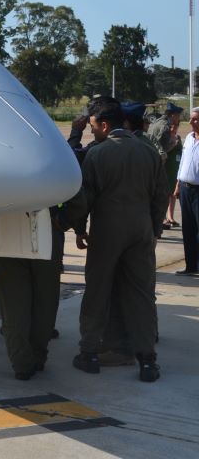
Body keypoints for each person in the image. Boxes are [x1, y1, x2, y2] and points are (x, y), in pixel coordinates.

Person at [67, 100, 164, 382]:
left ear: (105, 125)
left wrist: (78, 228)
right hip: (142, 229)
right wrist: (154, 231)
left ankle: (89, 353)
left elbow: (84, 198)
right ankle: (147, 360)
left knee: (98, 290)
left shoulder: (98, 154)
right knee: (141, 293)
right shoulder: (149, 152)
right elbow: (160, 196)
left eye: (94, 125)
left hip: (108, 229)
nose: (92, 130)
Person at [0, 206, 63, 379]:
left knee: (12, 302)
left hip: (6, 230)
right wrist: (65, 221)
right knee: (45, 299)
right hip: (47, 227)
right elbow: (79, 193)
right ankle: (37, 356)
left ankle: (21, 363)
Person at [172, 107, 199, 277]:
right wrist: (177, 185)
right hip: (184, 188)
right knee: (188, 230)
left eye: (195, 119)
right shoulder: (189, 138)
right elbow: (183, 163)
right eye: (190, 118)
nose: (190, 122)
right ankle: (190, 266)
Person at [151, 102, 184, 227]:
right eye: (178, 116)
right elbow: (162, 150)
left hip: (152, 162)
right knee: (162, 194)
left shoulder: (157, 123)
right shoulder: (165, 126)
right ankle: (160, 220)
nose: (179, 119)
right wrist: (173, 144)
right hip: (160, 164)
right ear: (173, 115)